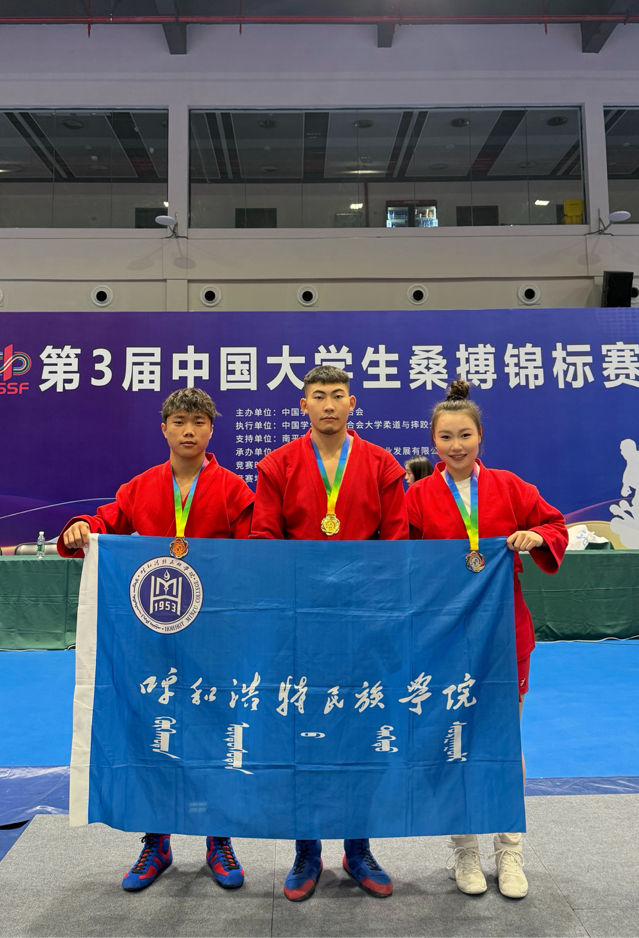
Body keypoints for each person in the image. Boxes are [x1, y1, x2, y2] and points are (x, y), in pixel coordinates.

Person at [58, 387, 254, 893]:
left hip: (214, 635)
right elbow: (104, 522)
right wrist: (81, 526)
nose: (189, 430)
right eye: (180, 421)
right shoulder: (140, 487)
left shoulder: (233, 490)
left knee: (215, 732)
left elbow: (257, 551)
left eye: (199, 422)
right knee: (155, 731)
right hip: (153, 633)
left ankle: (219, 838)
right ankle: (156, 841)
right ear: (164, 428)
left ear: (212, 429)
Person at [404, 380, 568, 901]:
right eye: (446, 437)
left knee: (503, 741)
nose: (456, 446)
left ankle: (510, 849)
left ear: (480, 437)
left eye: (465, 435)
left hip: (503, 633)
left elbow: (554, 524)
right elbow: (402, 561)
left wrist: (537, 536)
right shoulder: (418, 496)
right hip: (444, 637)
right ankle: (465, 849)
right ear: (433, 442)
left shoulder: (510, 486)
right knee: (453, 738)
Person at [250, 364, 408, 902]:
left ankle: (358, 847)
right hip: (301, 626)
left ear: (352, 403)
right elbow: (264, 542)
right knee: (305, 736)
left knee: (361, 734)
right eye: (318, 396)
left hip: (364, 627)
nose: (329, 404)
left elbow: (396, 545)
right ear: (304, 406)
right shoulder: (277, 464)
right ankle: (306, 849)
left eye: (338, 395)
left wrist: (366, 601)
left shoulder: (382, 464)